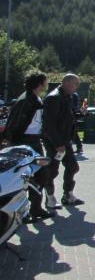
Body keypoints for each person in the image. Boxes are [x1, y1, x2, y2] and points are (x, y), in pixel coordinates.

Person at [3, 70, 54, 222]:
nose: (46, 85)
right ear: (39, 83)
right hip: (25, 141)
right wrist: (9, 140)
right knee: (26, 177)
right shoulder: (26, 100)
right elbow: (15, 122)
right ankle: (23, 212)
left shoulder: (33, 97)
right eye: (44, 82)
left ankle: (36, 208)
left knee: (40, 174)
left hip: (33, 140)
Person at [43, 73, 86, 206]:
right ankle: (49, 197)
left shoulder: (68, 97)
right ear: (67, 83)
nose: (77, 87)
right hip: (55, 141)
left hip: (65, 139)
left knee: (72, 166)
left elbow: (69, 115)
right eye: (76, 84)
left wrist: (81, 113)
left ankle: (68, 195)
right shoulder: (54, 98)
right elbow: (48, 125)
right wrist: (58, 143)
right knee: (52, 170)